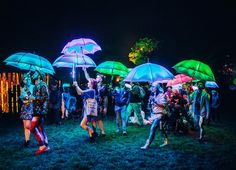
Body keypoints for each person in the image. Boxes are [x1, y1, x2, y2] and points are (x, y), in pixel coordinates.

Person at [141, 84, 168, 150]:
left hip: (160, 114)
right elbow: (151, 106)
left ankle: (147, 144)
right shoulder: (153, 95)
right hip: (154, 114)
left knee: (153, 128)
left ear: (157, 88)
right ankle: (166, 141)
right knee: (161, 129)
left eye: (153, 87)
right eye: (152, 87)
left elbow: (164, 105)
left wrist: (155, 101)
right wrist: (150, 102)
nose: (152, 88)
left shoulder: (162, 95)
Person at [83, 68, 107, 136]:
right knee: (93, 119)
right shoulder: (94, 84)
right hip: (93, 104)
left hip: (98, 105)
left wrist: (105, 107)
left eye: (98, 77)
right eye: (96, 77)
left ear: (101, 79)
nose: (96, 78)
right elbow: (88, 78)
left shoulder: (103, 87)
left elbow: (105, 97)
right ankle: (94, 132)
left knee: (98, 119)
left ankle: (102, 132)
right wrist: (85, 71)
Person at [30, 70, 50, 154]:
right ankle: (46, 145)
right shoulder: (36, 85)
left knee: (32, 128)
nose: (33, 74)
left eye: (35, 73)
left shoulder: (43, 85)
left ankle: (42, 146)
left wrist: (34, 98)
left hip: (40, 110)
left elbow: (44, 98)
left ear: (39, 76)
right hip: (36, 109)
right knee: (40, 128)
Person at [19, 72, 34, 147]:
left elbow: (34, 98)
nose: (27, 80)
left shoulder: (33, 87)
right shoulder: (23, 88)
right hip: (24, 108)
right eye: (25, 79)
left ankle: (34, 137)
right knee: (25, 125)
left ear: (30, 79)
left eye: (28, 78)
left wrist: (29, 98)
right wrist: (23, 100)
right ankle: (27, 140)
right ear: (23, 80)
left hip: (30, 107)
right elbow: (21, 98)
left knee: (28, 125)